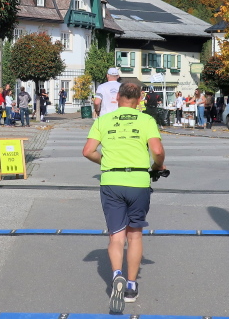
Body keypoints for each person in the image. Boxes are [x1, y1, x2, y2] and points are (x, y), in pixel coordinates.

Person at [81, 82, 166, 313]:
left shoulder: (103, 120)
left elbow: (87, 151)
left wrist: (107, 162)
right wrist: (157, 166)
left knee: (116, 236)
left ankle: (116, 274)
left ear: (117, 97)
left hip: (111, 181)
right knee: (134, 235)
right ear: (139, 99)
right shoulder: (146, 120)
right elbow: (158, 151)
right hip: (138, 182)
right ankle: (130, 286)